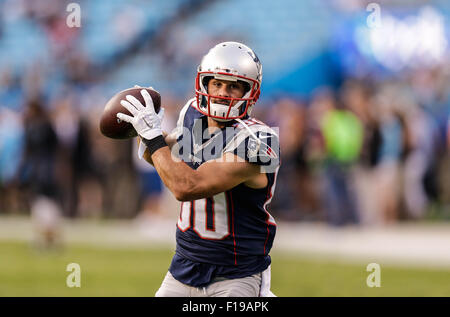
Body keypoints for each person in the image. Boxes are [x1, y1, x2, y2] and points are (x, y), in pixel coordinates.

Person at [117, 42, 280, 297]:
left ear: (251, 92)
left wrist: (153, 139)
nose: (223, 92)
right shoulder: (192, 113)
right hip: (183, 268)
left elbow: (186, 187)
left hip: (236, 274)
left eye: (234, 86)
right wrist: (142, 129)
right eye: (216, 83)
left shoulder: (260, 141)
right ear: (204, 83)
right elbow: (164, 161)